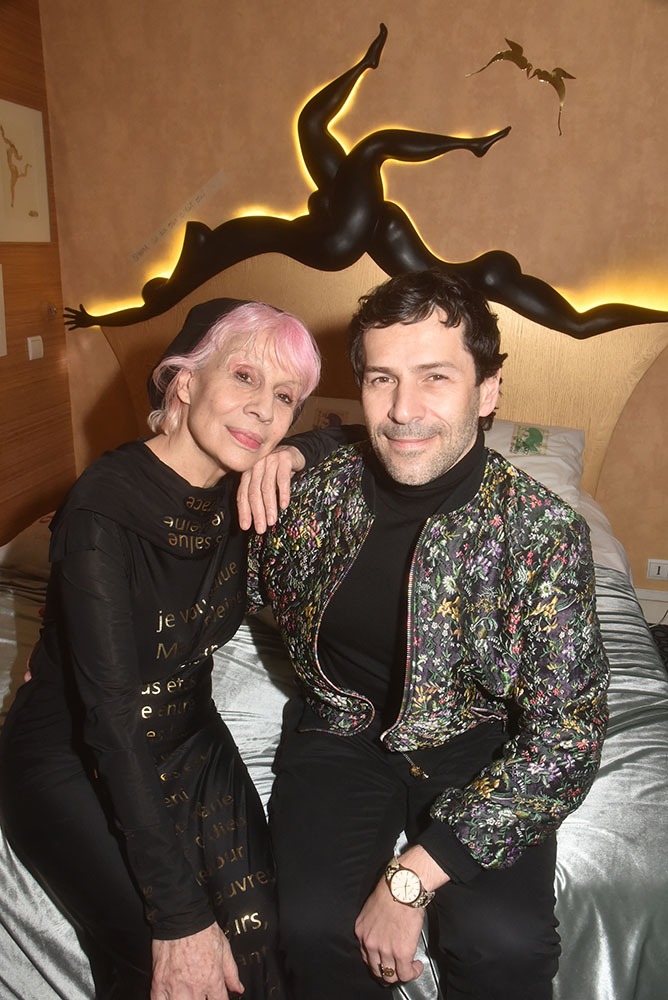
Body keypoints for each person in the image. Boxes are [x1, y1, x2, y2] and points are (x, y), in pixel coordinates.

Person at [247, 269, 610, 999]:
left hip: (478, 742)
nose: (403, 411)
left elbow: (568, 735)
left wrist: (412, 877)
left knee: (503, 944)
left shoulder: (541, 534)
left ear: (488, 390)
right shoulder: (312, 494)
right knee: (309, 930)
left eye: (435, 377)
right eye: (382, 379)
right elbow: (197, 561)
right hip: (339, 731)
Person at [0, 297, 326, 1000]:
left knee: (268, 941)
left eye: (285, 398)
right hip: (76, 752)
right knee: (168, 965)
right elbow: (110, 721)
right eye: (244, 377)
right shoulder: (102, 508)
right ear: (184, 382)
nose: (264, 410)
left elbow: (361, 439)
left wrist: (298, 453)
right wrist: (179, 918)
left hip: (187, 733)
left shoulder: (248, 489)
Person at [64, 23, 668, 339]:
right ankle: (461, 137)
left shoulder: (450, 281)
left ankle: (439, 120)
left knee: (336, 133)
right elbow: (157, 310)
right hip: (333, 242)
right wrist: (102, 321)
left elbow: (579, 326)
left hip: (337, 238)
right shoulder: (464, 280)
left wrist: (104, 319)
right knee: (357, 141)